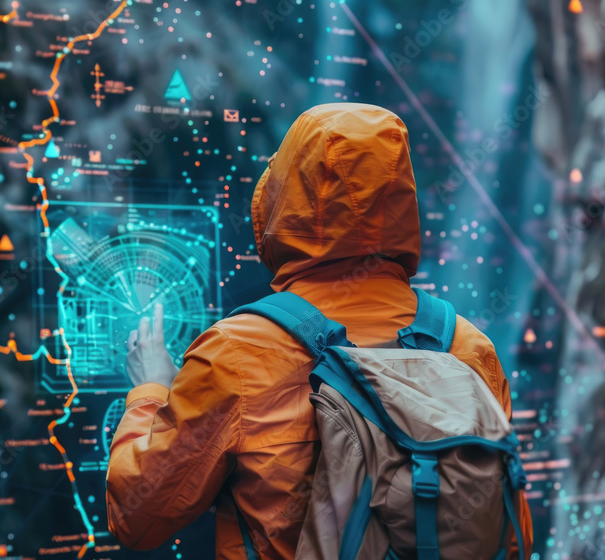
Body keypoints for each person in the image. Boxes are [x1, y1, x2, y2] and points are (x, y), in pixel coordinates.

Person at [105, 103, 533, 559]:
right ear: (402, 199)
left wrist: (151, 391)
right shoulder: (467, 346)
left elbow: (137, 517)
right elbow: (511, 529)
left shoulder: (238, 352)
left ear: (286, 197)